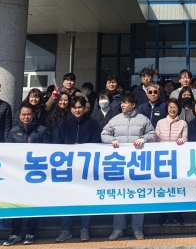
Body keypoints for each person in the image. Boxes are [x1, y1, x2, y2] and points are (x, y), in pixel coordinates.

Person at [102, 93, 156, 241]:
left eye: (125, 103)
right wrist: (111, 140)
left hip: (137, 164)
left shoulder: (143, 119)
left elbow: (152, 134)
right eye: (122, 103)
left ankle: (137, 229)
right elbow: (104, 134)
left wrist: (143, 138)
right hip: (119, 164)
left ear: (133, 105)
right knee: (120, 196)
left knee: (138, 196)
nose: (122, 105)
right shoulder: (115, 119)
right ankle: (118, 228)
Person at [54, 96, 102, 242]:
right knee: (67, 198)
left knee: (86, 198)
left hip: (86, 167)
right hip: (68, 168)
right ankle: (66, 230)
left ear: (85, 108)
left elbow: (97, 143)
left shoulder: (92, 124)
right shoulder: (65, 124)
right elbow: (58, 143)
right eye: (74, 107)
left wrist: (83, 148)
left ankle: (84, 228)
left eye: (80, 107)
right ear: (71, 109)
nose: (77, 110)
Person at [4, 104, 52, 245]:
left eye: (29, 114)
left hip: (36, 173)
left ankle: (31, 231)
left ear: (34, 115)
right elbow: (6, 151)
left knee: (33, 202)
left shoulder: (42, 130)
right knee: (16, 202)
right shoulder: (13, 132)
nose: (26, 117)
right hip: (17, 174)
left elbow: (48, 150)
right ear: (19, 116)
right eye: (23, 114)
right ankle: (15, 232)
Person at [155, 99, 188, 226]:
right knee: (163, 187)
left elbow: (185, 138)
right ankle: (163, 214)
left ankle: (177, 214)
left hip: (177, 160)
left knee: (176, 188)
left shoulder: (183, 123)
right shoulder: (160, 122)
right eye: (170, 107)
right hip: (162, 160)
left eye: (175, 107)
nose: (172, 109)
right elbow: (156, 139)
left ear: (178, 109)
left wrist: (182, 141)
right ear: (167, 108)